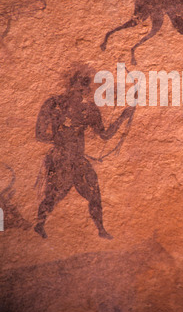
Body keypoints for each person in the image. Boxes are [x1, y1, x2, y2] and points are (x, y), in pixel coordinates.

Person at [34, 64, 134, 240]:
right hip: (60, 159)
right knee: (53, 195)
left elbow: (104, 135)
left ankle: (101, 229)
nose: (80, 90)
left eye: (84, 86)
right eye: (78, 85)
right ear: (70, 84)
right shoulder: (53, 104)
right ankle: (39, 224)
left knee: (94, 193)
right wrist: (60, 138)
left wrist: (123, 116)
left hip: (79, 161)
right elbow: (39, 134)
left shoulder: (89, 110)